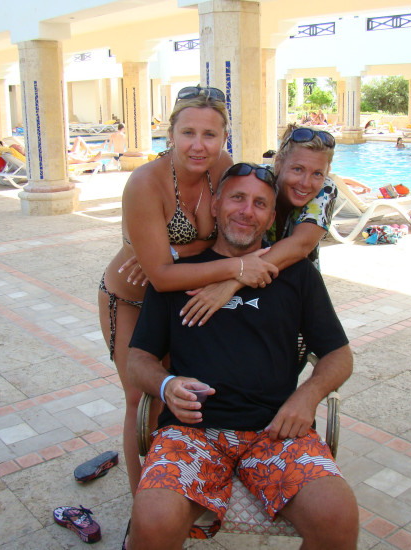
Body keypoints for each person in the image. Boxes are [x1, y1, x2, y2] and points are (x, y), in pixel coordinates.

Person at [126, 164, 358, 550]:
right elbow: (138, 359)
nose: (247, 211)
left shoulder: (297, 275)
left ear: (271, 216)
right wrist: (166, 385)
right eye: (237, 198)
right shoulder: (179, 276)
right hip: (191, 432)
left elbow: (339, 355)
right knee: (151, 521)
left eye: (260, 204)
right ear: (215, 205)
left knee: (337, 517)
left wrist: (308, 395)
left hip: (277, 432)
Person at [98, 86, 277, 494]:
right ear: (171, 134)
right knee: (139, 399)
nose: (199, 145)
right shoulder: (146, 183)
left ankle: (177, 484)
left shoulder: (224, 168)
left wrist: (176, 253)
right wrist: (237, 268)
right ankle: (140, 503)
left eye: (210, 135)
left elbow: (234, 233)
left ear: (224, 137)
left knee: (175, 395)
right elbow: (160, 276)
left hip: (181, 299)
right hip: (132, 299)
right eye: (188, 133)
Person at [178, 124, 338, 327]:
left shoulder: (325, 189)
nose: (306, 183)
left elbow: (301, 244)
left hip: (292, 284)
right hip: (245, 282)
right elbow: (221, 228)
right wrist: (168, 256)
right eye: (297, 169)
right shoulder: (258, 181)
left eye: (317, 173)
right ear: (278, 163)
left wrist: (232, 283)